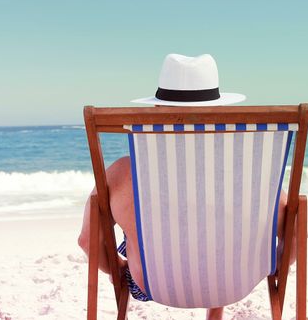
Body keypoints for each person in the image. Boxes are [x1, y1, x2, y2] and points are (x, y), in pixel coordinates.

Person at [78, 54, 295, 320]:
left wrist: (118, 270)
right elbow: (294, 235)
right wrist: (269, 270)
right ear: (217, 110)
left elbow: (87, 241)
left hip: (154, 285)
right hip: (234, 284)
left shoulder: (123, 172)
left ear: (157, 110)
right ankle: (215, 309)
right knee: (214, 226)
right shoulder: (248, 173)